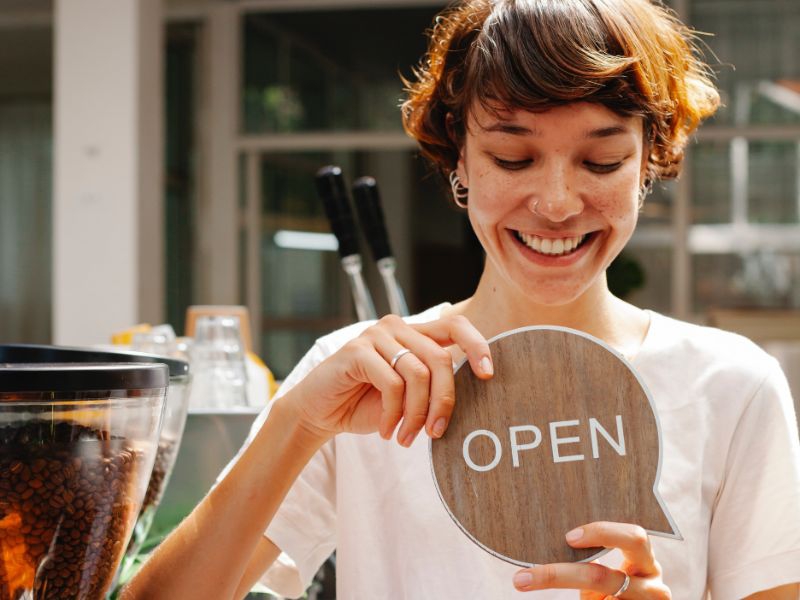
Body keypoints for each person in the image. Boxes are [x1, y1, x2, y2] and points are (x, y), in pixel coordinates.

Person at [124, 1, 800, 598]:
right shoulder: (364, 383)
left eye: (601, 161)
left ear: (650, 162)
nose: (558, 203)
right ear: (461, 163)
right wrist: (300, 422)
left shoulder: (731, 386)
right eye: (513, 158)